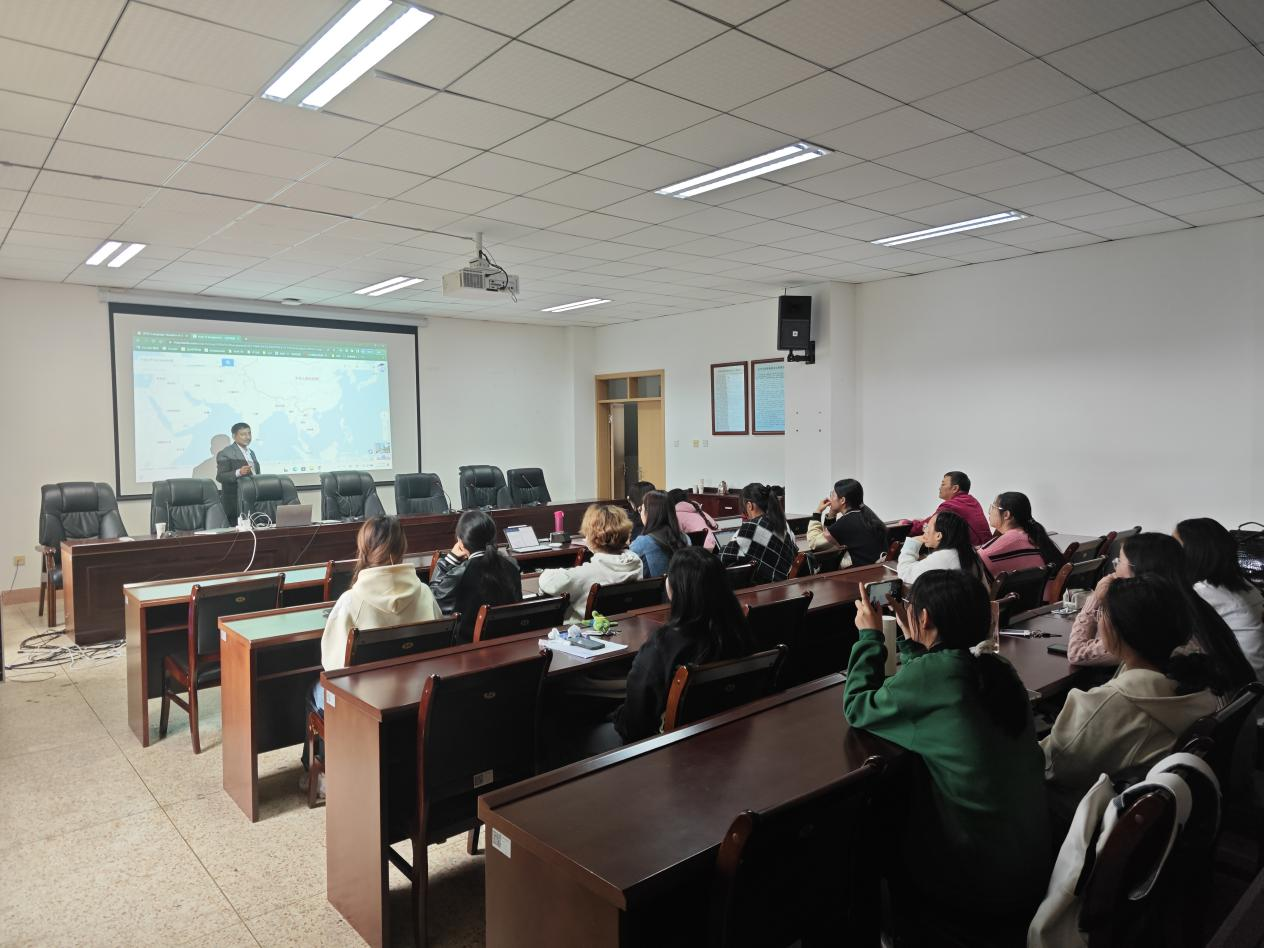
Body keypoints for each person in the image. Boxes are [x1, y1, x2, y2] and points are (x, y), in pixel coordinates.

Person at [844, 569, 1050, 937]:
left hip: (977, 882)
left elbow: (858, 705)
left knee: (868, 834)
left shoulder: (934, 678)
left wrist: (870, 636)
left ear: (923, 617)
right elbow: (930, 678)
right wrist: (912, 644)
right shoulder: (998, 669)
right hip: (1033, 865)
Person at [1043, 574, 1220, 823]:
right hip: (1150, 816)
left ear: (1120, 630)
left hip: (1085, 816)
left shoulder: (1111, 702)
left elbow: (1052, 769)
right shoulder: (1193, 684)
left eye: (1102, 614)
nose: (1099, 620)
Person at [303, 516, 440, 796]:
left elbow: (333, 667)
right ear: (402, 547)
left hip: (363, 705)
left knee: (312, 689)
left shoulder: (351, 601)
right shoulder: (424, 593)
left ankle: (318, 772)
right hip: (415, 697)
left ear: (363, 549)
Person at [1067, 532, 1257, 700]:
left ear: (1139, 571)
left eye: (1119, 563)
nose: (1114, 570)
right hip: (1217, 710)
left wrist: (1096, 599)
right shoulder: (1189, 601)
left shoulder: (1154, 618)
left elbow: (1077, 653)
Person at [612, 547, 754, 743]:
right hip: (729, 737)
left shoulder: (663, 645)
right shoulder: (739, 632)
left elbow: (634, 725)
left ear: (675, 587)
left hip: (666, 747)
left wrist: (615, 716)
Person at [1176, 517, 1264, 686]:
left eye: (1175, 547)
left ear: (1194, 551)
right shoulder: (1243, 584)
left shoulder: (1203, 591)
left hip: (1246, 688)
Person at [430, 509, 523, 644]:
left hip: (469, 647)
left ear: (460, 542)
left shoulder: (461, 572)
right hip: (507, 643)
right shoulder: (512, 565)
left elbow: (434, 601)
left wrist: (449, 560)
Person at [539, 503, 643, 623]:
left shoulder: (585, 574)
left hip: (586, 631)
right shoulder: (636, 563)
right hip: (625, 626)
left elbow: (548, 582)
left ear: (592, 537)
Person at [717, 483, 797, 584]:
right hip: (787, 585)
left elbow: (723, 558)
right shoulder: (782, 523)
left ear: (749, 506)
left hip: (769, 589)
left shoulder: (751, 527)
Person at [977, 491, 1063, 579]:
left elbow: (978, 562)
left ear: (1006, 515)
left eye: (993, 507)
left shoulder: (989, 552)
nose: (989, 512)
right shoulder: (1034, 537)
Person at [805, 477, 886, 566]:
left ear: (842, 500)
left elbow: (813, 542)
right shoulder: (865, 515)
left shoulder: (846, 522)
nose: (830, 498)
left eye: (832, 495)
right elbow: (830, 537)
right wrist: (831, 514)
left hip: (862, 571)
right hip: (876, 568)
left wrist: (817, 512)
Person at [896, 509, 987, 587]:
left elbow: (905, 573)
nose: (924, 531)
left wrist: (913, 542)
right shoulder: (970, 551)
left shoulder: (944, 557)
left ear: (938, 535)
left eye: (927, 527)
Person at [907, 471, 990, 546]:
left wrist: (907, 527)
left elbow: (928, 525)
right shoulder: (971, 500)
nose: (940, 488)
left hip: (976, 552)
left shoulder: (951, 505)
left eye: (943, 484)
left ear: (955, 488)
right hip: (985, 546)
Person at [629, 490, 687, 578]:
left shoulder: (642, 542)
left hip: (653, 587)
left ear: (650, 514)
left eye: (641, 509)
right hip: (680, 585)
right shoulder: (685, 538)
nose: (640, 513)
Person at [214, 422, 260, 522]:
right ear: (234, 436)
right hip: (236, 503)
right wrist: (239, 472)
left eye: (249, 433)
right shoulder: (225, 453)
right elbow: (220, 476)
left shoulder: (251, 452)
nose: (248, 437)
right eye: (243, 434)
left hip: (253, 500)